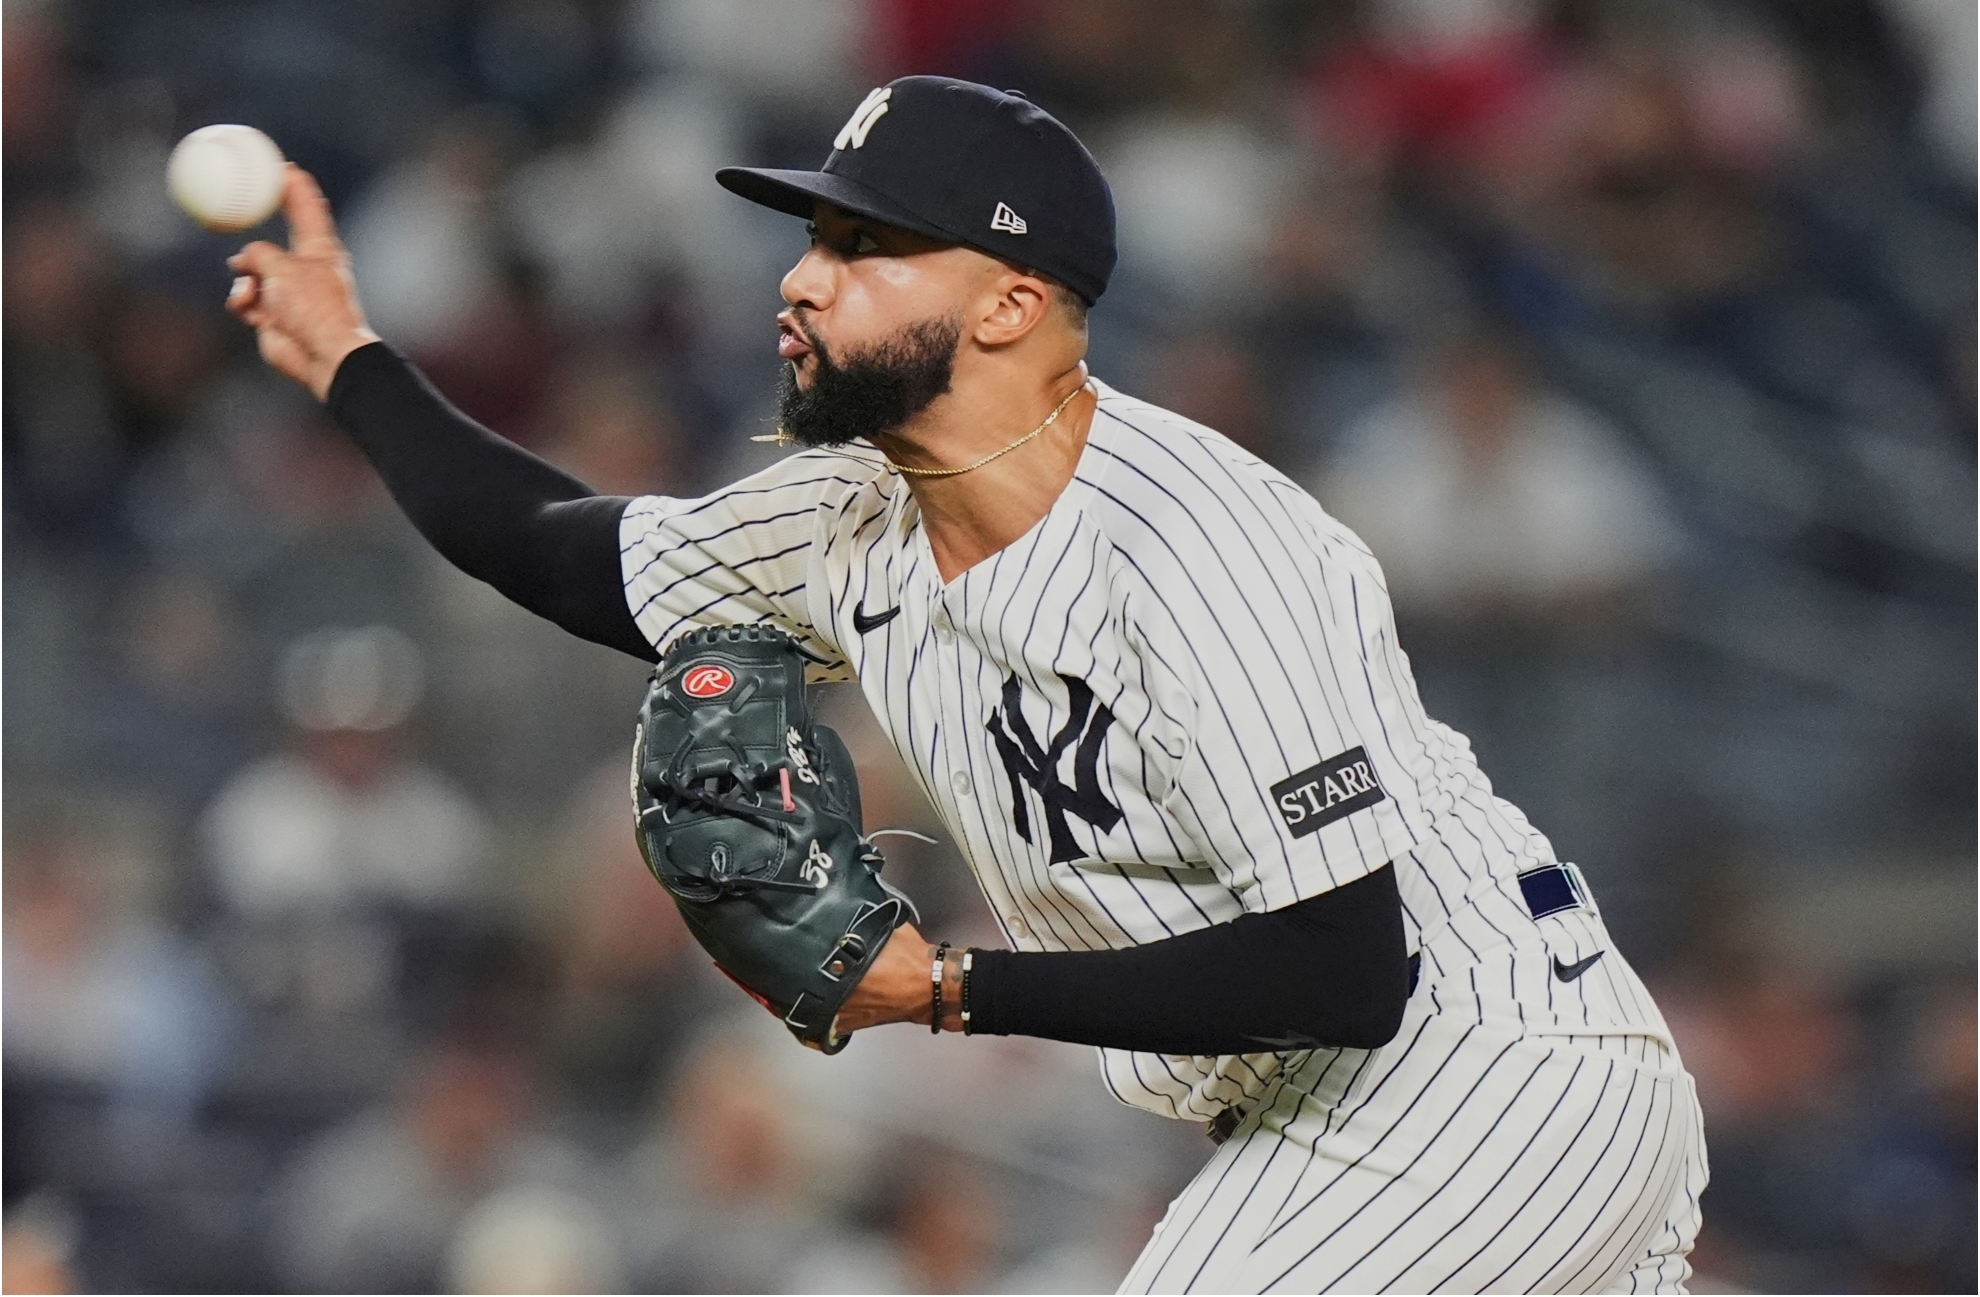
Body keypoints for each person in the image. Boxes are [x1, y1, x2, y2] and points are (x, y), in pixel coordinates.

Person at [226, 75, 1706, 1294]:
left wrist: (943, 989)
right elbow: (555, 547)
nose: (801, 279)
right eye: (813, 238)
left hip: (1481, 1072)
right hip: (1359, 1111)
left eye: (864, 245)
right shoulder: (847, 517)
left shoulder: (1204, 542)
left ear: (1007, 306)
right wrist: (349, 357)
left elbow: (1344, 970)